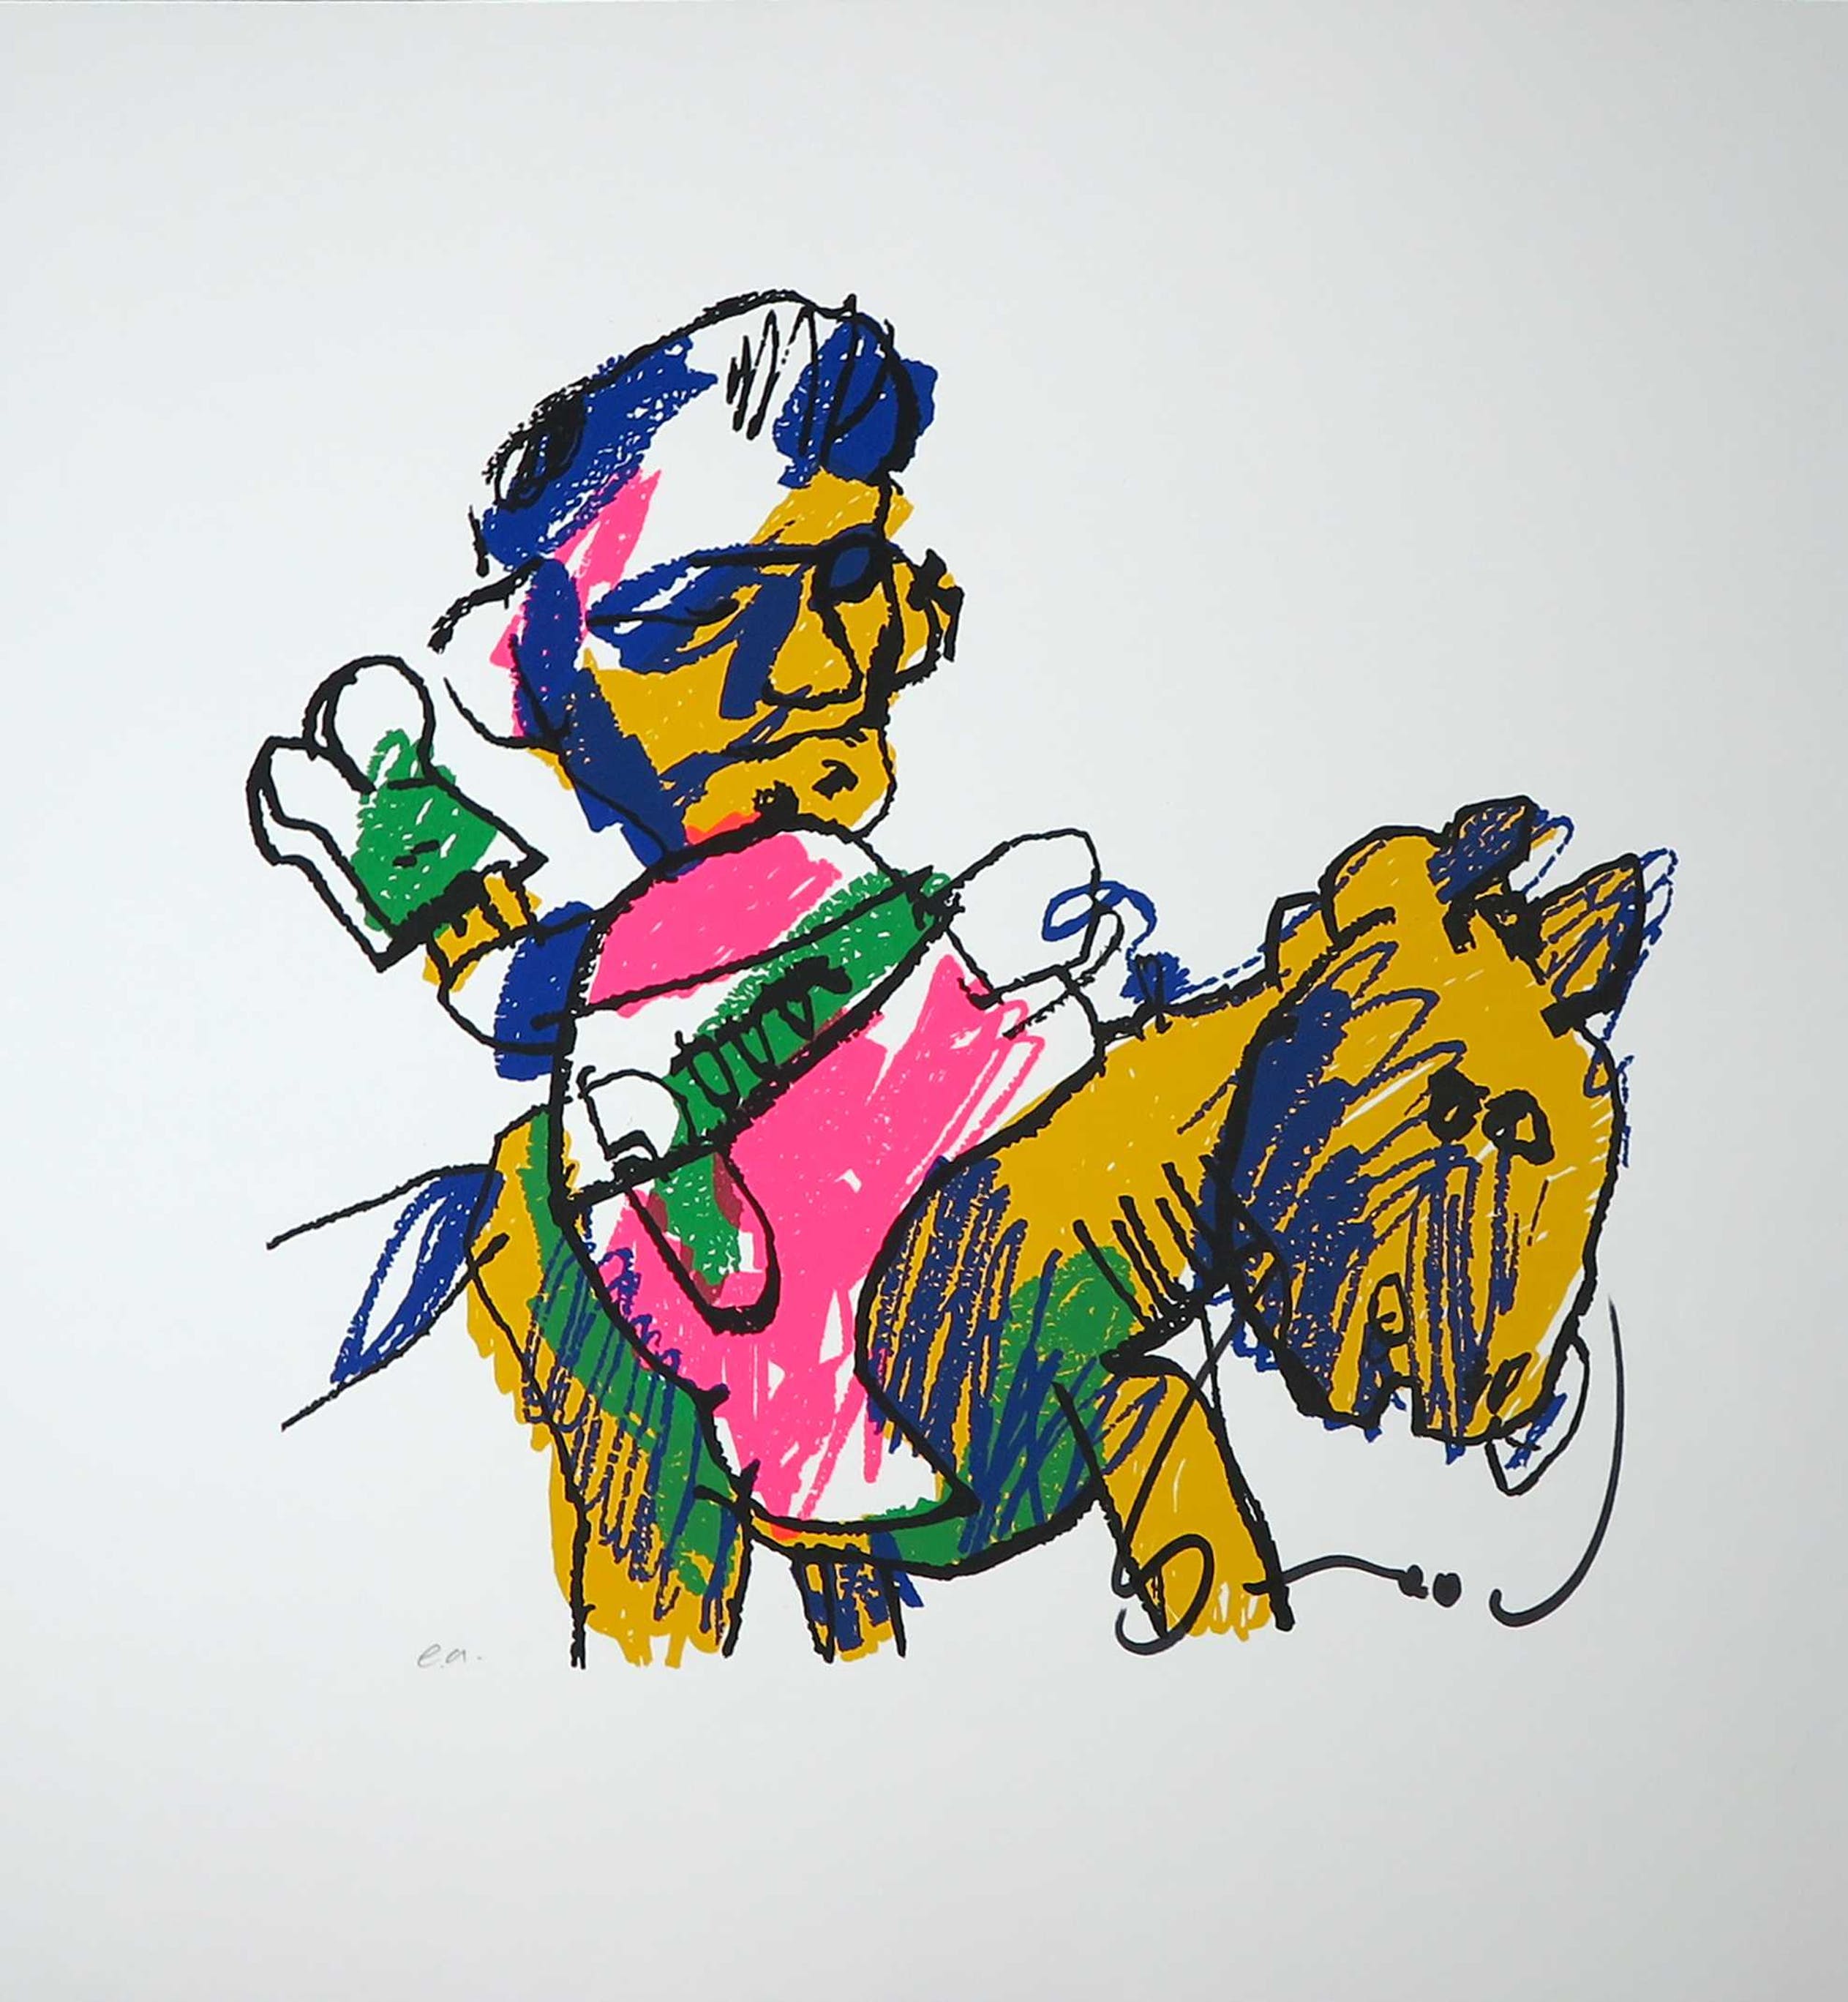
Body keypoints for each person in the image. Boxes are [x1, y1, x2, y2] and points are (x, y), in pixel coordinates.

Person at [252, 291, 1661, 1665]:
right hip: (786, 1345)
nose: (839, 661)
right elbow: (552, 1016)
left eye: (866, 587)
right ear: (573, 669)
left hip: (912, 1274)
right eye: (738, 614)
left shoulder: (839, 895)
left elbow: (962, 1050)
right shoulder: (720, 927)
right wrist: (633, 1108)